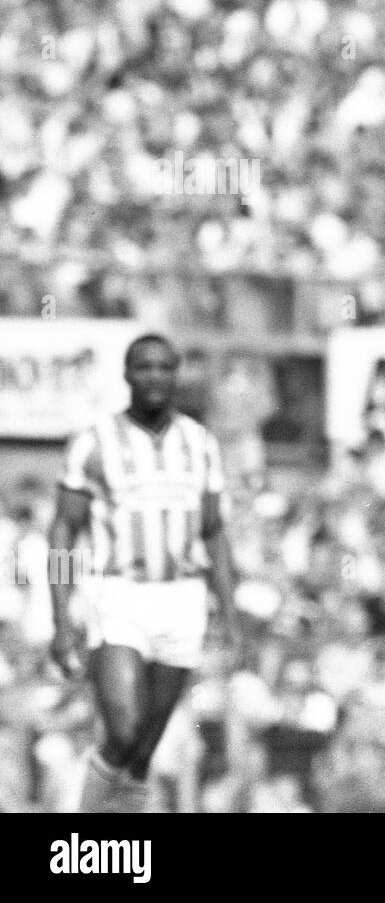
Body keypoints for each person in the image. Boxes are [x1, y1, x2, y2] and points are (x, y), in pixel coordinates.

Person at [48, 333, 237, 812]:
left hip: (183, 599)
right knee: (123, 728)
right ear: (127, 374)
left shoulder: (200, 442)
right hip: (120, 596)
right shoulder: (94, 442)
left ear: (177, 374)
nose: (155, 376)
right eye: (144, 367)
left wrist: (228, 612)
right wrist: (61, 618)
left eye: (164, 367)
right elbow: (65, 531)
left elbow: (214, 532)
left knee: (143, 749)